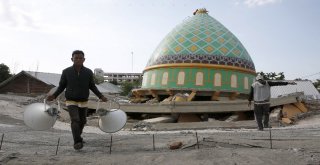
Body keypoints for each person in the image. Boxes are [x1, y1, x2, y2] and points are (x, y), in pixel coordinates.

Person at [47, 50, 108, 150]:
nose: (78, 60)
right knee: (75, 120)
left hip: (84, 100)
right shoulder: (66, 72)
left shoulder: (88, 72)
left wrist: (101, 96)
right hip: (71, 100)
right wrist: (54, 96)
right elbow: (61, 86)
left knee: (83, 121)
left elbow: (92, 86)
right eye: (76, 58)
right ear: (72, 59)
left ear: (84, 60)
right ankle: (77, 142)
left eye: (80, 58)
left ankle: (78, 136)